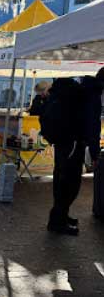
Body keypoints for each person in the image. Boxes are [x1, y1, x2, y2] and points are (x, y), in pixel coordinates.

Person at [48, 68, 104, 236]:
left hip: (64, 142)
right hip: (72, 144)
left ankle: (61, 216)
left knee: (61, 179)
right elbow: (92, 126)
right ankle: (57, 222)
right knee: (69, 184)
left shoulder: (83, 88)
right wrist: (95, 154)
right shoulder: (92, 94)